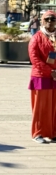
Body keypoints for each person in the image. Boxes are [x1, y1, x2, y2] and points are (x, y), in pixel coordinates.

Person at [28, 10, 56, 144]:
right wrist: (50, 71)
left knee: (54, 107)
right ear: (42, 21)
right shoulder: (37, 37)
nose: (50, 22)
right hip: (41, 76)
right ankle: (37, 133)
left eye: (53, 19)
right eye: (47, 19)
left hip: (55, 77)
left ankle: (52, 132)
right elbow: (34, 58)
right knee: (40, 107)